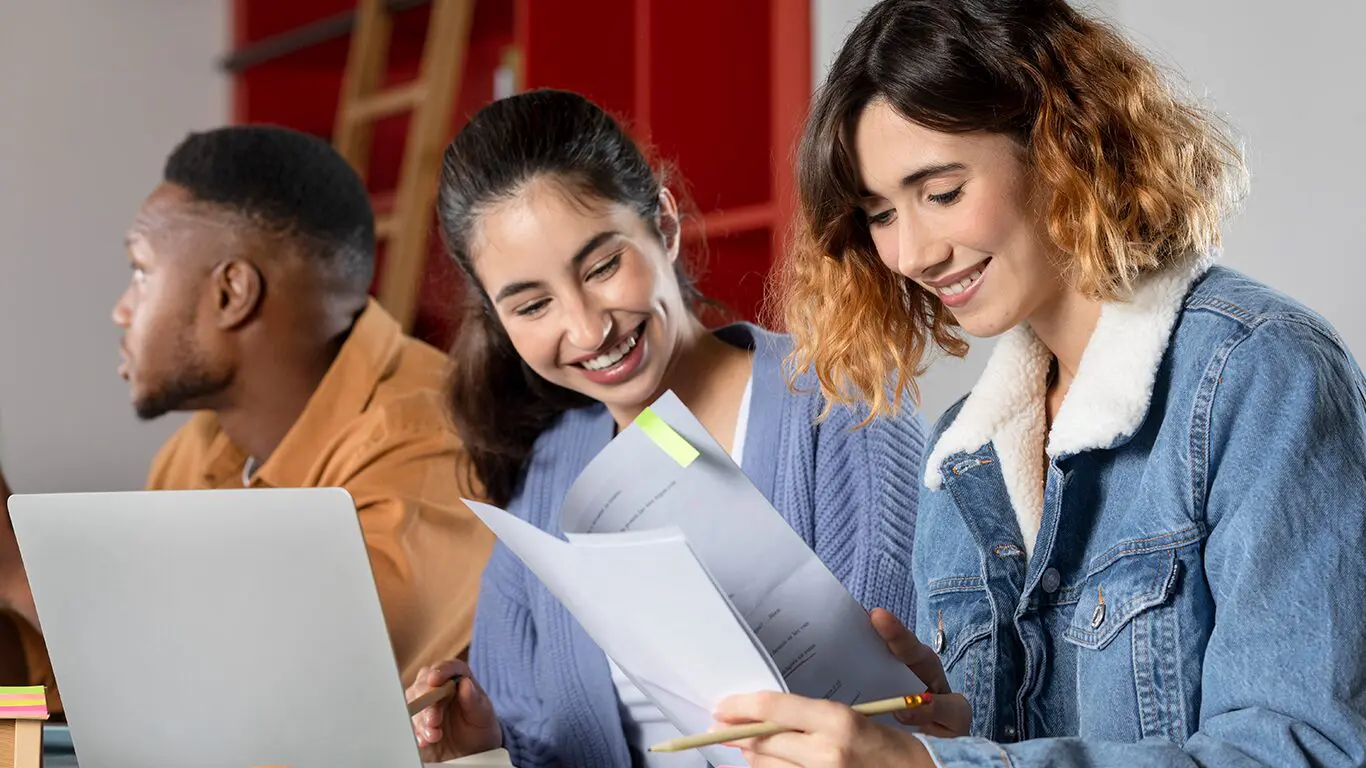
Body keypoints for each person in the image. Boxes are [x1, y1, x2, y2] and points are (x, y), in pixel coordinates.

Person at [708, 0, 1366, 766]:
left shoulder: (1262, 374)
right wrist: (942, 733)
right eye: (881, 214)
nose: (912, 253)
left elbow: (1304, 752)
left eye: (942, 192)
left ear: (1059, 142)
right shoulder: (960, 460)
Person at [402, 89, 936, 767]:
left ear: (664, 222)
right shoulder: (545, 480)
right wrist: (488, 745)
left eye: (601, 267)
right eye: (533, 304)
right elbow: (540, 745)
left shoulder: (843, 410)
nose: (588, 329)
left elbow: (914, 709)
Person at [0, 125, 494, 712]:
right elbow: (84, 703)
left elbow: (283, 700)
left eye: (139, 271)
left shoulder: (429, 445)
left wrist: (20, 574)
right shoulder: (198, 450)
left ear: (231, 291)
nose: (121, 309)